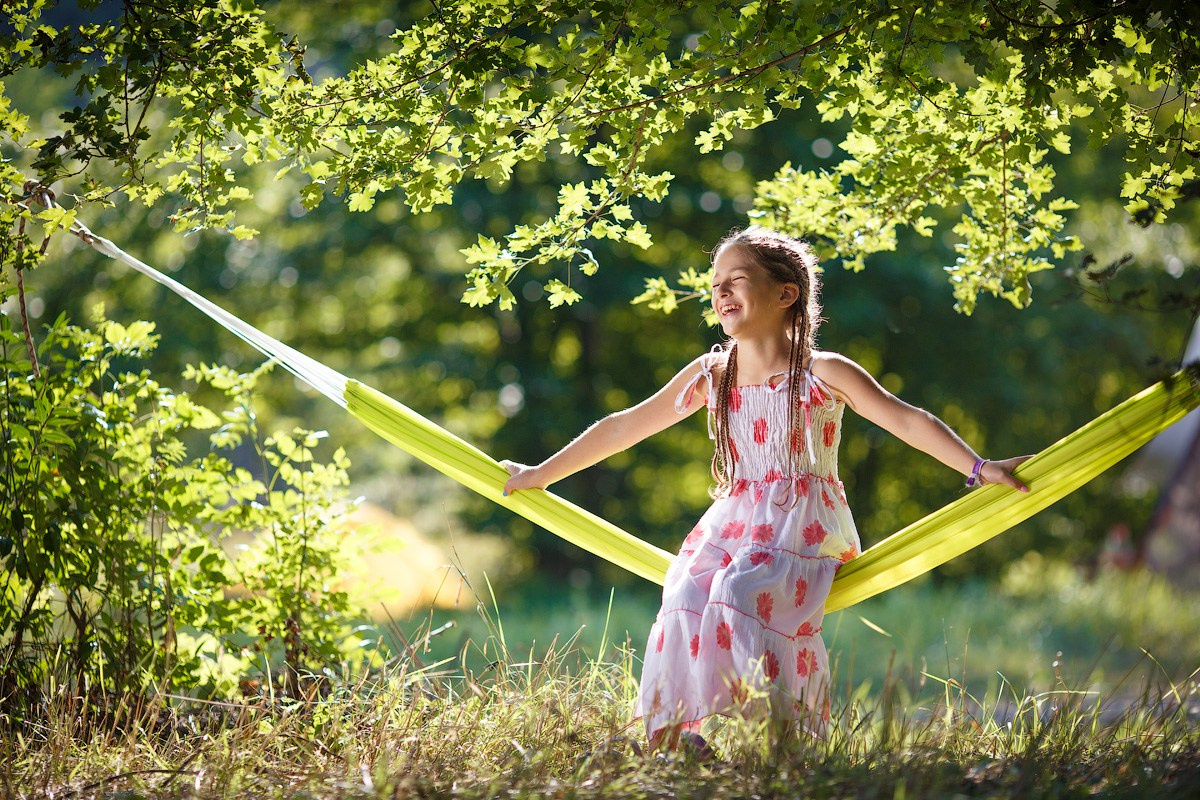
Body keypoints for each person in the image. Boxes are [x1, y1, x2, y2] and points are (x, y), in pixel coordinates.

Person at [501, 227, 1031, 757]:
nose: (721, 292)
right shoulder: (712, 375)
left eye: (737, 279)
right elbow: (623, 426)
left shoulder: (823, 372)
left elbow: (907, 420)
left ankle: (779, 741)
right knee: (684, 592)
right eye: (715, 284)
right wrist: (541, 473)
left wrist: (978, 467)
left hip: (804, 526)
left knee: (739, 590)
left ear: (785, 293)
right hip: (734, 524)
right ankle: (675, 741)